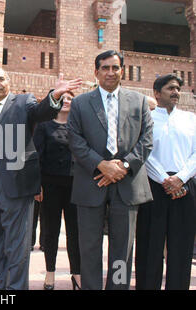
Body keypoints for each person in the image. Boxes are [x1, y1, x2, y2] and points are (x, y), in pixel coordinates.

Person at [0, 68, 82, 290]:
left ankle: (15, 289)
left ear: (8, 81)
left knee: (16, 242)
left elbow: (41, 112)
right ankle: (1, 285)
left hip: (14, 181)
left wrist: (54, 95)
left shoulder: (22, 103)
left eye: (0, 79)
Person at [66, 50, 154, 290]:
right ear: (96, 72)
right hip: (90, 181)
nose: (110, 72)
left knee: (122, 250)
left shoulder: (139, 101)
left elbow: (146, 140)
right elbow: (74, 139)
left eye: (115, 68)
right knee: (90, 247)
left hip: (127, 184)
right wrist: (101, 164)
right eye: (105, 68)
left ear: (122, 71)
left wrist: (123, 166)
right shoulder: (81, 103)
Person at [135, 74, 196, 290]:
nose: (176, 92)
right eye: (170, 88)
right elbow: (144, 153)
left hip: (185, 186)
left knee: (181, 245)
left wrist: (180, 178)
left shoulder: (191, 120)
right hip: (154, 186)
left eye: (178, 88)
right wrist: (164, 179)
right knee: (150, 244)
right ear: (157, 93)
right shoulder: (147, 119)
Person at [33, 91, 81, 290]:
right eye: (63, 98)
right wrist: (37, 185)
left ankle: (76, 274)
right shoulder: (44, 126)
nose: (66, 101)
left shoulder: (79, 127)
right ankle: (50, 274)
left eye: (70, 98)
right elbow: (36, 157)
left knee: (75, 232)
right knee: (51, 232)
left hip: (75, 186)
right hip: (50, 185)